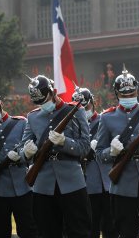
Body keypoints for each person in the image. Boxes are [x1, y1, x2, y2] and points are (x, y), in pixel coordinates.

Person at [95, 66, 139, 238]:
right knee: (126, 231)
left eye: (132, 94)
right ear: (117, 94)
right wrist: (111, 151)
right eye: (124, 95)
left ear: (136, 91)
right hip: (123, 184)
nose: (128, 97)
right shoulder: (107, 117)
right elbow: (99, 154)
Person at [21, 74, 92, 238]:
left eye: (44, 100)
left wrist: (64, 142)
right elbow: (22, 148)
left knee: (79, 230)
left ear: (53, 92)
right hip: (43, 183)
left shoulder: (75, 111)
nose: (42, 105)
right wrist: (26, 152)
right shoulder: (32, 117)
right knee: (47, 231)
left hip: (72, 180)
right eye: (38, 102)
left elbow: (85, 147)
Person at [0, 89, 38, 238]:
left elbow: (30, 149)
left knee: (29, 229)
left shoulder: (20, 123)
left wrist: (26, 155)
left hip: (22, 185)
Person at [72, 85, 117, 238]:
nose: (84, 110)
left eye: (86, 106)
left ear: (92, 102)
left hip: (108, 178)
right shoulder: (73, 125)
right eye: (80, 108)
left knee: (111, 225)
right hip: (87, 181)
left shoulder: (105, 119)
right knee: (91, 225)